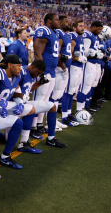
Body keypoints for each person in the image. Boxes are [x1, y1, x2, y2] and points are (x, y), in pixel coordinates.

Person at [31, 13, 66, 147]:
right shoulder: (44, 30)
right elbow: (38, 52)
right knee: (38, 100)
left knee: (45, 100)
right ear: (49, 21)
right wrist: (41, 70)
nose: (59, 22)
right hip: (44, 71)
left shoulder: (54, 33)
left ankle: (39, 124)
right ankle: (32, 127)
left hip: (51, 71)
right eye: (57, 20)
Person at [61, 19, 87, 126]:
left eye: (83, 26)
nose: (82, 28)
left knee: (73, 91)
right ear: (74, 28)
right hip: (73, 67)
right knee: (68, 91)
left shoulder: (80, 37)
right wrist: (78, 59)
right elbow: (70, 55)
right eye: (80, 26)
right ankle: (64, 116)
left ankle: (69, 113)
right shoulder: (73, 36)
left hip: (79, 67)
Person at [76, 21, 103, 113]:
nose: (100, 31)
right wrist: (95, 54)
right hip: (88, 63)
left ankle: (86, 106)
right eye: (99, 29)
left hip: (94, 64)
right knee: (85, 86)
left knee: (90, 86)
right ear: (94, 27)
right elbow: (86, 52)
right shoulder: (88, 34)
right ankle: (79, 109)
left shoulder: (94, 36)